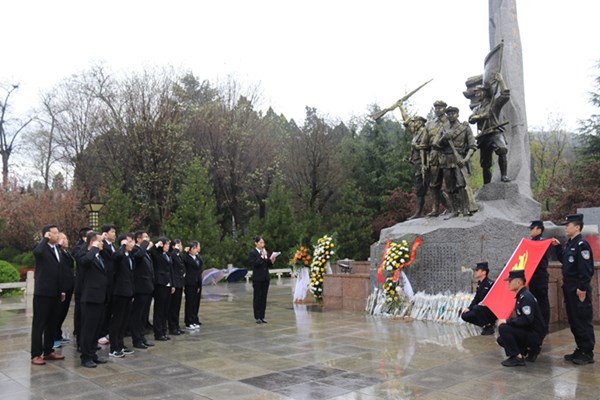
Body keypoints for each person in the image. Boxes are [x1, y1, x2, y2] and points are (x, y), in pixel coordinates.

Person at [553, 213, 595, 365]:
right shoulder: (570, 243)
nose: (566, 227)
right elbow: (565, 261)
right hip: (569, 287)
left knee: (582, 318)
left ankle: (587, 351)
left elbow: (586, 269)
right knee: (574, 319)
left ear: (577, 227)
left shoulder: (581, 244)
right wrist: (558, 247)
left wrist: (582, 288)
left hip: (578, 287)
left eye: (568, 225)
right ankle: (580, 347)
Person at [30, 224, 66, 365]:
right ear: (48, 235)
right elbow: (37, 252)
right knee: (39, 323)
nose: (58, 235)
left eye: (58, 233)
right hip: (43, 293)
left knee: (52, 322)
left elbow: (59, 272)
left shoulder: (56, 249)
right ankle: (36, 354)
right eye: (55, 233)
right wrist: (44, 240)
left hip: (56, 293)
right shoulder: (42, 248)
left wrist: (62, 290)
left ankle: (48, 350)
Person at [496, 267, 545, 367]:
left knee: (504, 328)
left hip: (534, 335)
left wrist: (507, 321)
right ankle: (528, 351)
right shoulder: (522, 296)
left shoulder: (525, 298)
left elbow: (527, 320)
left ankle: (517, 357)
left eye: (510, 281)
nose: (508, 283)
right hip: (531, 332)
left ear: (518, 282)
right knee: (502, 339)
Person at [433, 106, 477, 218]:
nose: (451, 115)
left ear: (458, 114)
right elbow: (436, 145)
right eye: (449, 113)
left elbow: (472, 146)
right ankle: (454, 209)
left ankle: (465, 208)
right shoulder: (444, 129)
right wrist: (443, 138)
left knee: (461, 184)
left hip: (460, 159)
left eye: (453, 113)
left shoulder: (465, 127)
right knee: (450, 186)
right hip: (446, 159)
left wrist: (465, 159)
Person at [468, 72, 511, 184]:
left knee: (501, 149)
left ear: (485, 92)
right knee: (485, 163)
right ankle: (487, 183)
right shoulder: (477, 108)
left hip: (495, 132)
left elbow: (505, 95)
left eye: (479, 92)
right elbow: (471, 119)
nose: (477, 94)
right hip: (484, 136)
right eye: (476, 93)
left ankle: (504, 175)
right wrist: (482, 116)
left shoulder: (494, 104)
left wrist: (501, 81)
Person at [79, 231, 109, 368]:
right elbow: (84, 262)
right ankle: (85, 356)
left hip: (100, 297)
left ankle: (92, 353)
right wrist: (94, 248)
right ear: (93, 242)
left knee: (96, 328)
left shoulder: (99, 256)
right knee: (88, 329)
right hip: (90, 298)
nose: (102, 244)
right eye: (100, 241)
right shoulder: (85, 254)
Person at [398, 101, 429, 219]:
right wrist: (401, 107)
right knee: (420, 188)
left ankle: (450, 206)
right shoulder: (416, 133)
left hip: (425, 164)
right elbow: (406, 119)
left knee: (431, 186)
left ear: (420, 123)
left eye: (416, 122)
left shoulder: (425, 132)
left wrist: (419, 147)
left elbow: (429, 146)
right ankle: (418, 212)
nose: (414, 123)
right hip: (417, 163)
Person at [108, 233, 135, 358]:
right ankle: (114, 347)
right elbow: (116, 257)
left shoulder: (129, 256)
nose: (132, 244)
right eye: (130, 242)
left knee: (124, 320)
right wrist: (122, 246)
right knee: (117, 321)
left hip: (128, 292)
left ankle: (121, 344)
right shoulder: (119, 255)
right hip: (119, 292)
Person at [424, 100, 450, 216]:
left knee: (452, 183)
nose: (438, 110)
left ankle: (455, 207)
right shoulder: (429, 124)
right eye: (436, 108)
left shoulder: (451, 121)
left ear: (445, 108)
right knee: (434, 184)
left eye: (440, 108)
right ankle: (435, 209)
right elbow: (425, 143)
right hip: (434, 156)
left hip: (448, 154)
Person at [130, 231, 155, 349]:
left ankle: (142, 336)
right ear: (138, 239)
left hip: (147, 286)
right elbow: (138, 257)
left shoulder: (144, 251)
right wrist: (145, 244)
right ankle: (137, 339)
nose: (147, 239)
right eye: (145, 237)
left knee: (143, 315)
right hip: (140, 287)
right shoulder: (135, 249)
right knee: (137, 315)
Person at [461, 262, 497, 335]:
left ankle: (488, 326)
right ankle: (485, 325)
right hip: (480, 310)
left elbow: (495, 300)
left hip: (490, 311)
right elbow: (476, 298)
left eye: (477, 270)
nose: (475, 272)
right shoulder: (479, 283)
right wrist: (469, 308)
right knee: (465, 315)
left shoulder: (491, 284)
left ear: (484, 272)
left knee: (476, 308)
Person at [528, 220, 551, 333]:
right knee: (534, 301)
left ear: (539, 230)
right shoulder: (531, 242)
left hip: (540, 276)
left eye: (532, 228)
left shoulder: (542, 242)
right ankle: (537, 323)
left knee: (542, 301)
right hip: (532, 276)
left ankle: (544, 325)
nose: (530, 231)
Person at [150, 237, 174, 340]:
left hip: (168, 283)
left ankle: (164, 330)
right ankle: (158, 332)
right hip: (160, 283)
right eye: (166, 244)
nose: (168, 246)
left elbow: (171, 270)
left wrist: (172, 284)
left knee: (165, 309)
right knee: (159, 309)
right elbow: (151, 252)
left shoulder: (168, 255)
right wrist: (157, 245)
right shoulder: (157, 255)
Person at [249, 236, 278, 324]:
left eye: (263, 242)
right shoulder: (253, 253)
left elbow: (268, 264)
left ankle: (262, 316)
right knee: (257, 297)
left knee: (264, 297)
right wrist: (262, 256)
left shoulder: (265, 252)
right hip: (257, 278)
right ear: (256, 243)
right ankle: (257, 316)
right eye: (261, 243)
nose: (262, 244)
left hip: (265, 278)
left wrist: (272, 260)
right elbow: (255, 264)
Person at [98, 224, 117, 346]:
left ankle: (108, 331)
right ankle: (101, 333)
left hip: (114, 282)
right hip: (105, 282)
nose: (114, 234)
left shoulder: (114, 246)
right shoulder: (102, 246)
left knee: (111, 309)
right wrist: (102, 239)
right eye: (112, 232)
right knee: (103, 310)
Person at [55, 232, 75, 348]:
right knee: (58, 313)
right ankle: (54, 336)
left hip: (69, 286)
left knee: (63, 312)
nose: (66, 240)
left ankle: (58, 334)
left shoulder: (66, 253)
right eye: (63, 238)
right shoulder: (57, 252)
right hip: (61, 287)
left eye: (66, 238)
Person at [182, 241, 203, 329]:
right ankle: (188, 321)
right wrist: (185, 252)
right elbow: (183, 260)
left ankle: (194, 319)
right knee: (190, 302)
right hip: (190, 282)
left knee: (196, 302)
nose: (195, 250)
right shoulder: (187, 257)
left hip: (197, 281)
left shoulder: (197, 257)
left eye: (196, 248)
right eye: (193, 248)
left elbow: (200, 265)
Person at [168, 239, 186, 335]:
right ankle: (172, 327)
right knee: (173, 307)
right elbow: (172, 258)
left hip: (179, 283)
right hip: (174, 283)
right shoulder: (172, 254)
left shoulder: (179, 256)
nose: (181, 246)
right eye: (179, 245)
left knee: (177, 307)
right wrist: (175, 249)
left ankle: (176, 325)